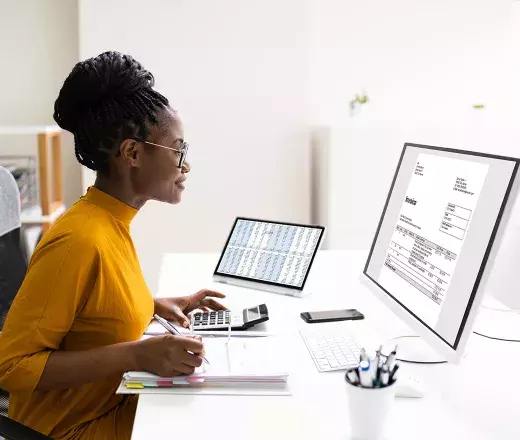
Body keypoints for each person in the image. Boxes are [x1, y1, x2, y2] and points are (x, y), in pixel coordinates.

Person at [0, 51, 226, 440]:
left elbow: (92, 310)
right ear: (132, 154)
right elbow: (11, 366)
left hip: (112, 406)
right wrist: (136, 354)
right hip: (74, 430)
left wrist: (154, 304)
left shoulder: (111, 222)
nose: (185, 166)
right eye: (179, 151)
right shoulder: (79, 240)